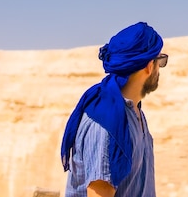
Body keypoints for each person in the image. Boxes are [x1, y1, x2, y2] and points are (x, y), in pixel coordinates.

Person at [61, 22, 168, 197]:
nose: (160, 69)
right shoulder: (106, 123)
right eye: (161, 61)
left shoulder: (134, 114)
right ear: (149, 66)